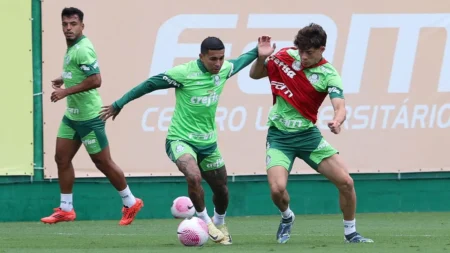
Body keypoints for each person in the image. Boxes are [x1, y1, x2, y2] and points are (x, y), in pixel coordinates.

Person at [100, 36, 265, 244]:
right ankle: (206, 222)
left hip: (208, 143)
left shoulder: (224, 69)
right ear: (201, 57)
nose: (218, 63)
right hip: (180, 139)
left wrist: (257, 50)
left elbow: (242, 60)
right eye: (213, 59)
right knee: (194, 176)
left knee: (221, 188)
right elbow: (149, 84)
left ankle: (220, 221)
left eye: (221, 58)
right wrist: (119, 103)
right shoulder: (183, 73)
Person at [248, 23, 374, 244]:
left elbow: (340, 105)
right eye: (301, 51)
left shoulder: (328, 74)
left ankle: (351, 233)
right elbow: (255, 75)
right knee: (277, 190)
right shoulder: (285, 55)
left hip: (308, 137)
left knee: (346, 182)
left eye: (309, 52)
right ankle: (287, 217)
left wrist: (338, 119)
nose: (303, 57)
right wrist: (261, 58)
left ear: (322, 49)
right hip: (279, 137)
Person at [41, 7, 143, 226]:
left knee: (102, 162)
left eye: (73, 24)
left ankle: (130, 201)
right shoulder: (72, 48)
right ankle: (66, 208)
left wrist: (64, 91)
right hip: (72, 116)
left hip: (89, 117)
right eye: (65, 24)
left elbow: (96, 80)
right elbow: (80, 72)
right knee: (61, 158)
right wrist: (64, 78)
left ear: (82, 26)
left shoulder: (83, 49)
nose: (68, 28)